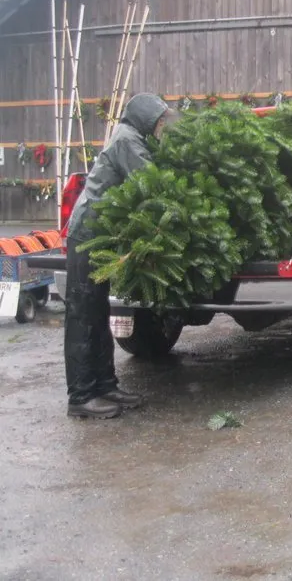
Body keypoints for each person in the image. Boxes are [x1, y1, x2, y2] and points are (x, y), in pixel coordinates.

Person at [63, 93, 179, 418]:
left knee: (98, 313)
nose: (160, 127)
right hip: (88, 235)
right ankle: (82, 396)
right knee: (83, 315)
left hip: (102, 236)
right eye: (158, 121)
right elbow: (150, 182)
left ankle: (105, 386)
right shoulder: (128, 140)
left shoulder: (131, 137)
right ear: (143, 117)